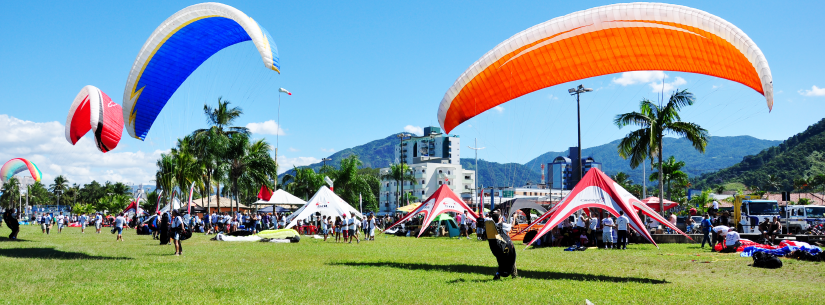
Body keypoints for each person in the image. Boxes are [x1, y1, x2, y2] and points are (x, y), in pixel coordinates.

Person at [486, 210, 517, 280]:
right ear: (499, 218)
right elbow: (512, 226)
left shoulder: (491, 226)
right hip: (505, 246)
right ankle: (514, 275)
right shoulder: (502, 225)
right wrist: (514, 218)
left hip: (496, 248)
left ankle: (497, 275)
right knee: (512, 258)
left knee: (501, 262)